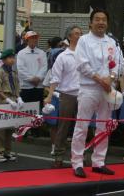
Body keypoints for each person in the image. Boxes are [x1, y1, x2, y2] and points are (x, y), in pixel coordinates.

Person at [71, 9, 119, 178]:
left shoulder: (112, 42)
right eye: (97, 19)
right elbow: (82, 65)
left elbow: (116, 66)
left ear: (107, 23)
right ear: (90, 23)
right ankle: (77, 162)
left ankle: (99, 162)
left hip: (106, 89)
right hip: (89, 88)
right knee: (82, 126)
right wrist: (100, 79)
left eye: (104, 19)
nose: (101, 22)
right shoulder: (83, 41)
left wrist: (111, 79)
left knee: (103, 126)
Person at [44, 25, 82, 168]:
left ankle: (80, 156)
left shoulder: (85, 54)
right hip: (67, 95)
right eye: (76, 33)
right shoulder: (62, 56)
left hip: (83, 95)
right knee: (63, 126)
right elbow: (55, 78)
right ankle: (59, 156)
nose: (79, 36)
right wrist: (49, 96)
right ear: (70, 37)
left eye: (80, 33)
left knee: (82, 127)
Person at [0, 49, 21, 162]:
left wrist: (19, 97)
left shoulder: (13, 72)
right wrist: (7, 99)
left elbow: (17, 86)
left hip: (13, 100)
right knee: (1, 129)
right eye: (10, 58)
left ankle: (8, 151)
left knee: (10, 128)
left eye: (13, 57)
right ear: (3, 59)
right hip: (3, 100)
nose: (12, 60)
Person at [17, 31, 47, 109]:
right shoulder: (21, 53)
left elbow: (44, 68)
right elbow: (20, 69)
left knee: (38, 110)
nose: (35, 40)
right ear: (27, 40)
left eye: (36, 38)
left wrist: (38, 78)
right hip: (26, 87)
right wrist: (31, 79)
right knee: (25, 110)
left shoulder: (42, 53)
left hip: (39, 86)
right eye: (32, 38)